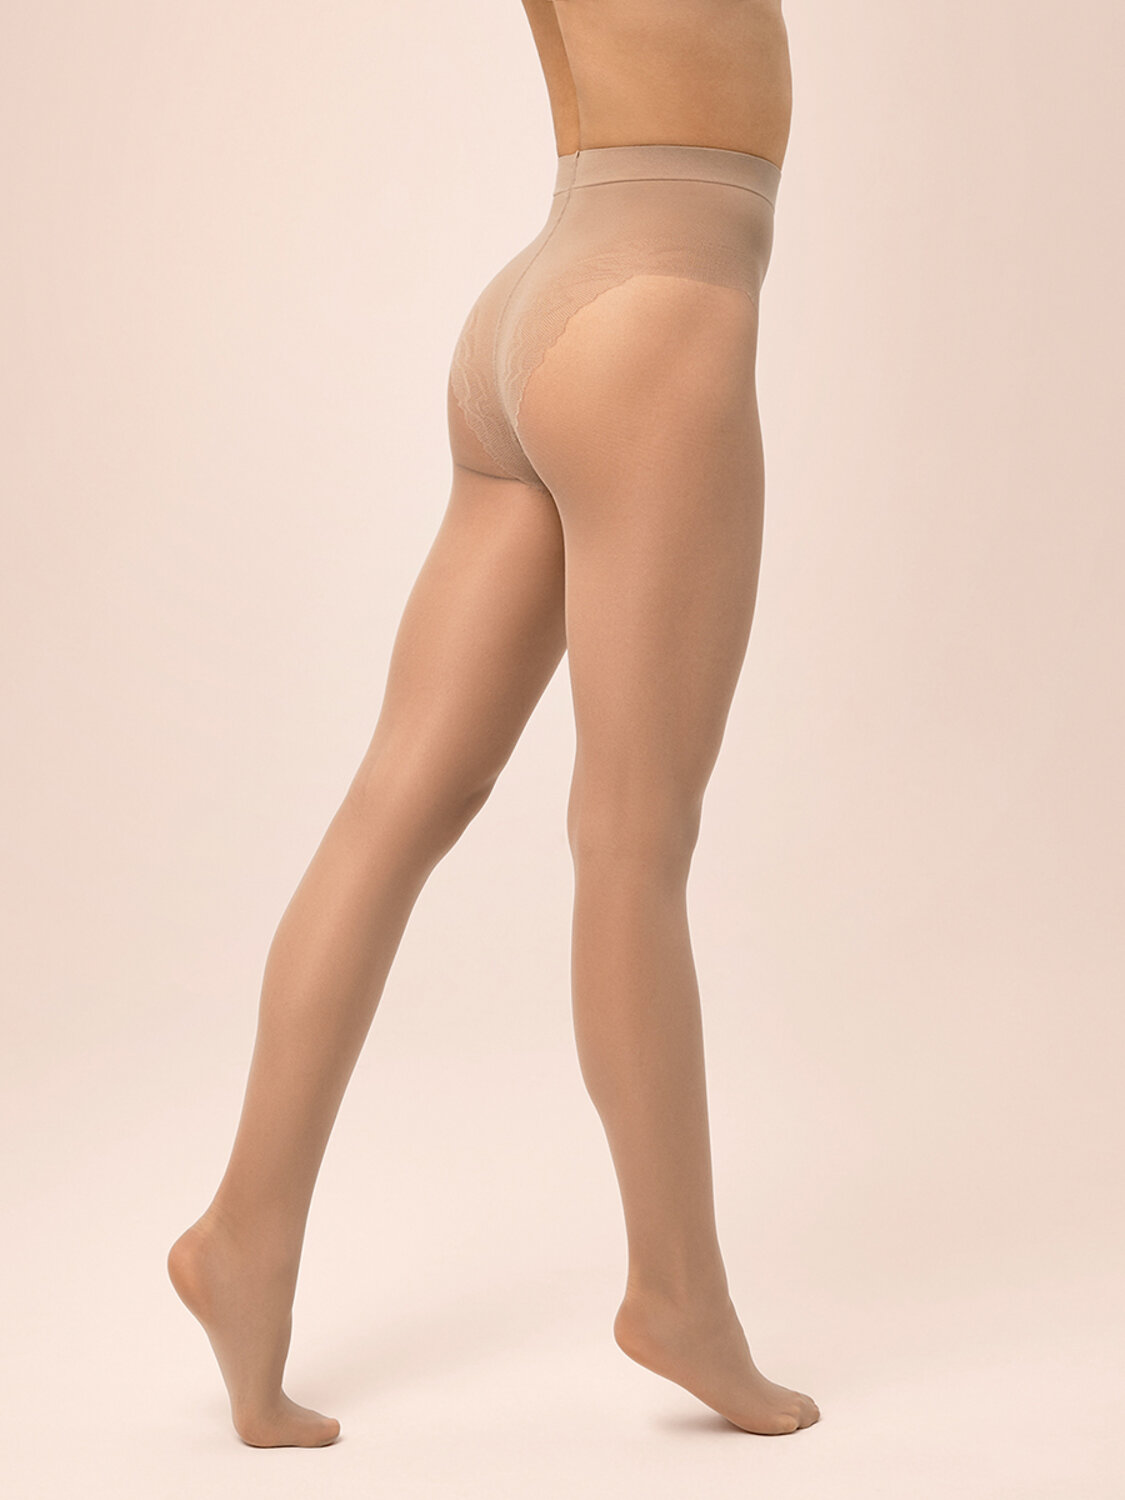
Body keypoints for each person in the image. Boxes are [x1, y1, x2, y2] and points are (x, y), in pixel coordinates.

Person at [167, 0, 820, 1447]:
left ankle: (244, 1239)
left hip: (536, 302)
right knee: (634, 839)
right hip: (660, 298)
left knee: (399, 797)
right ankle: (678, 1293)